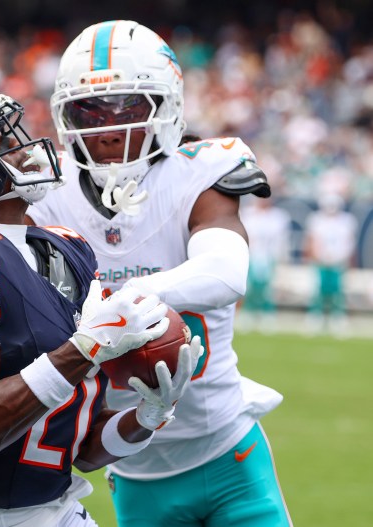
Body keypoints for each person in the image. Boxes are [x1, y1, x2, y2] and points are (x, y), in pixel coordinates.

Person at [0, 77, 202, 527]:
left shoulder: (66, 248)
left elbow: (79, 448)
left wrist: (148, 416)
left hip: (60, 511)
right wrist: (82, 350)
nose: (21, 147)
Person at [27, 20, 292, 526]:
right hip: (131, 464)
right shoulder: (44, 194)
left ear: (165, 107)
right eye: (87, 110)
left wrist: (130, 299)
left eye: (125, 107)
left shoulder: (198, 172)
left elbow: (226, 272)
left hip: (228, 449)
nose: (105, 126)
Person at [303, 193, 358, 335]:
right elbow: (311, 241)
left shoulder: (346, 221)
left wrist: (344, 258)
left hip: (339, 262)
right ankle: (316, 316)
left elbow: (349, 242)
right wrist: (315, 256)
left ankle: (337, 317)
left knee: (337, 291)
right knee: (317, 290)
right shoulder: (316, 220)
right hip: (320, 261)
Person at [239, 196, 292, 332]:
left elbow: (281, 241)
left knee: (267, 288)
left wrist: (281, 258)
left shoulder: (278, 217)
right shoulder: (247, 214)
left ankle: (267, 313)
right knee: (249, 287)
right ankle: (248, 313)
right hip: (251, 255)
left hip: (269, 256)